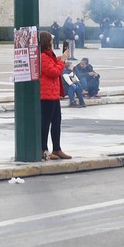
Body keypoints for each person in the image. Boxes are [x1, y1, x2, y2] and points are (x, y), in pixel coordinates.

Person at [37, 30, 70, 160]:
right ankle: (43, 149)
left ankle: (57, 148)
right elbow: (53, 72)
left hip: (53, 94)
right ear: (46, 42)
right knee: (45, 123)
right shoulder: (43, 57)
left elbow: (54, 64)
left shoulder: (48, 55)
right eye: (51, 40)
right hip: (46, 95)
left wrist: (61, 58)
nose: (52, 42)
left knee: (56, 122)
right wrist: (62, 61)